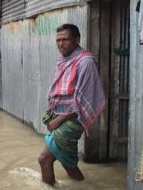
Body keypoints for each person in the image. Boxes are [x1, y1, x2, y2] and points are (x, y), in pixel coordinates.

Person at [38, 24, 106, 186]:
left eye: (65, 39)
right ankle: (83, 186)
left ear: (76, 40)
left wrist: (59, 120)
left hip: (73, 118)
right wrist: (52, 114)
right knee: (67, 163)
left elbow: (83, 100)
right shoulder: (64, 59)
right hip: (60, 116)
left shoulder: (85, 62)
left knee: (44, 159)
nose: (61, 44)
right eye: (58, 40)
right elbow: (62, 93)